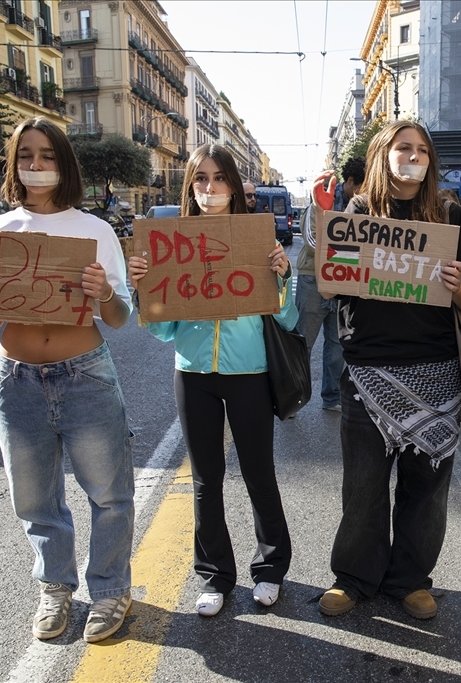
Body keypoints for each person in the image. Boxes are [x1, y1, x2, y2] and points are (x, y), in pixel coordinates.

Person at [0, 117, 136, 644]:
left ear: (65, 165)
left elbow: (120, 315)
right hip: (15, 381)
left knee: (109, 494)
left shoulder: (96, 231)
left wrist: (102, 292)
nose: (36, 166)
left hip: (85, 376)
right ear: (13, 164)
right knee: (34, 499)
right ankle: (55, 588)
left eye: (48, 156)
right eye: (26, 156)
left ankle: (110, 590)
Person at [128, 144, 297, 618]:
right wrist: (144, 286)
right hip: (194, 375)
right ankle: (215, 575)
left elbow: (287, 317)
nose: (209, 188)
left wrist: (281, 277)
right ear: (190, 187)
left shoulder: (259, 242)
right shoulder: (171, 244)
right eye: (200, 179)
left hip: (250, 374)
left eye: (219, 178)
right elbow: (162, 330)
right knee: (206, 480)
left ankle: (270, 570)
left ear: (234, 186)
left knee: (259, 474)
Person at [314, 121, 461, 620]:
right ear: (383, 155)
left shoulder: (450, 217)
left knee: (426, 491)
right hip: (368, 373)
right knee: (362, 488)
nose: (414, 156)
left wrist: (456, 285)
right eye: (404, 148)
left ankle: (410, 580)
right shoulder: (356, 215)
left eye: (422, 149)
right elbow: (328, 286)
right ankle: (354, 578)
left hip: (437, 373)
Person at [296, 156, 365, 411]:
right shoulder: (319, 202)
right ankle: (294, 398)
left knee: (336, 345)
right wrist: (351, 254)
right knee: (304, 342)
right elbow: (312, 240)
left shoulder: (361, 207)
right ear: (349, 182)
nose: (364, 193)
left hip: (342, 281)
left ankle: (332, 397)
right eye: (361, 187)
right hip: (312, 279)